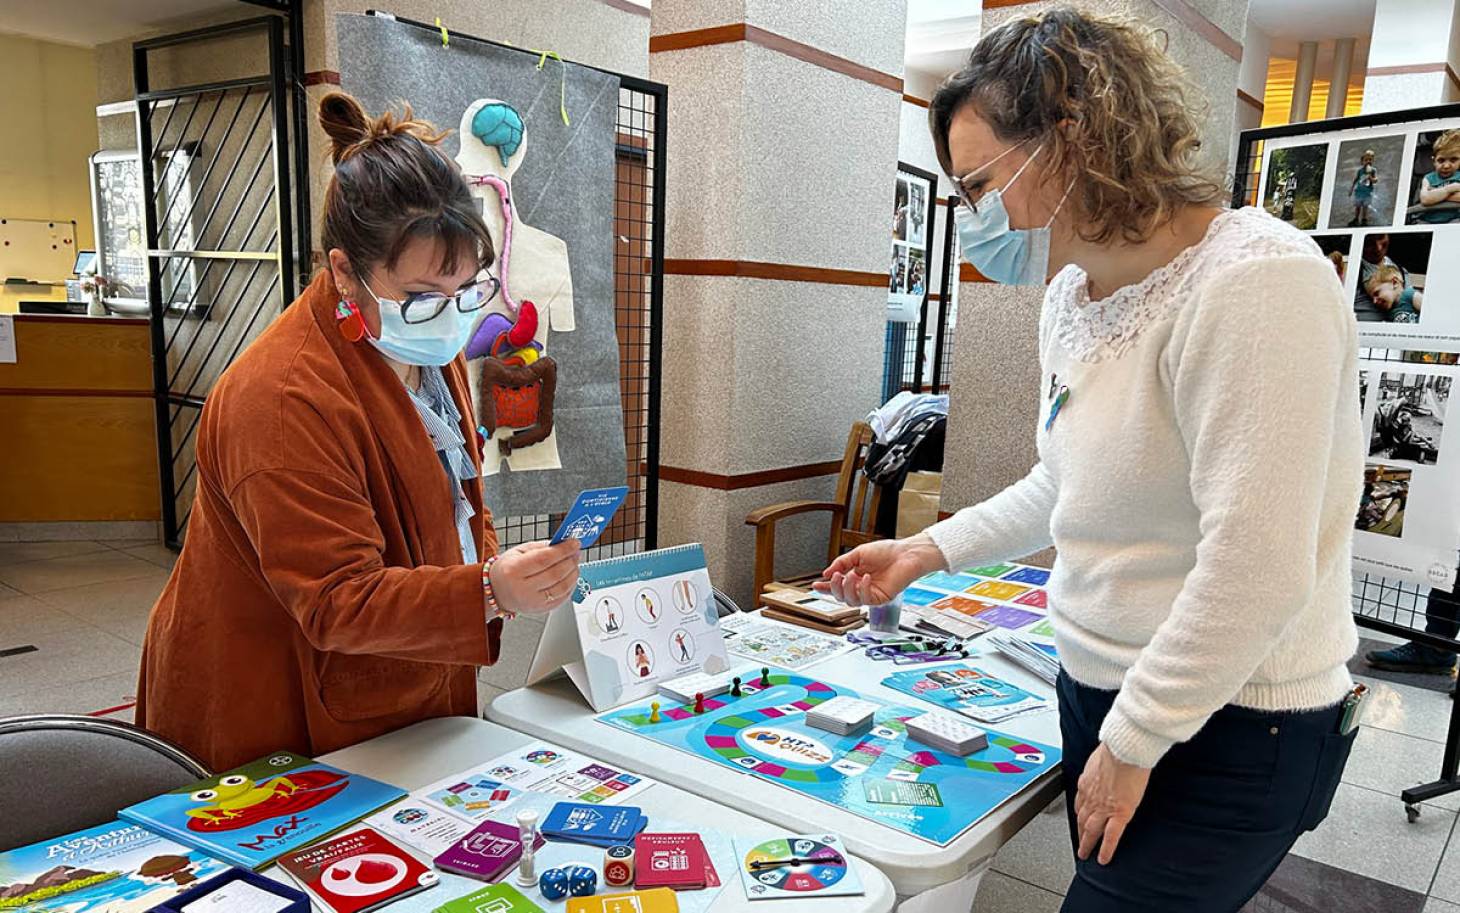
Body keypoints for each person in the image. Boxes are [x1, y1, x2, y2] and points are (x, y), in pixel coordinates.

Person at [819, 10, 1360, 912]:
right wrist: (926, 550)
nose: (977, 217)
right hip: (1105, 693)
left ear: (1071, 138)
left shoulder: (1257, 280)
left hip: (1232, 720)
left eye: (983, 182)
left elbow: (1259, 562)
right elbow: (1061, 480)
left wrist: (1137, 739)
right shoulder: (1072, 296)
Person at [135, 93, 582, 771]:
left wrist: (490, 564)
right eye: (427, 294)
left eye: (467, 290)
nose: (452, 317)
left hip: (405, 668)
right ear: (344, 271)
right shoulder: (282, 398)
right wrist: (489, 588)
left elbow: (462, 492)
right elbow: (338, 600)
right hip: (278, 699)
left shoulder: (424, 346)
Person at [1354, 233, 1406, 322]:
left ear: (1394, 282)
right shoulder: (1352, 269)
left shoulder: (1400, 271)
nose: (1378, 248)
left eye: (1380, 237)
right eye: (1369, 243)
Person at [1415, 129, 1460, 224]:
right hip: (1427, 220)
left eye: (1453, 160)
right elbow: (1426, 199)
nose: (1446, 166)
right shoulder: (1428, 178)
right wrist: (1450, 189)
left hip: (1453, 220)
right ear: (1433, 161)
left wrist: (1435, 194)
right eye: (1441, 160)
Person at [1349, 149, 1378, 227]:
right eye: (1366, 160)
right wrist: (1351, 189)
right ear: (1362, 162)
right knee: (1357, 207)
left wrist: (1371, 178)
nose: (1368, 161)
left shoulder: (1373, 171)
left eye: (1370, 160)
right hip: (1359, 192)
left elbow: (1376, 180)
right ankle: (1356, 218)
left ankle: (1364, 219)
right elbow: (1355, 180)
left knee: (1365, 207)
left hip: (1367, 193)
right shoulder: (1360, 171)